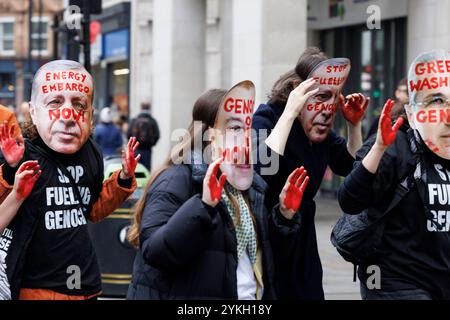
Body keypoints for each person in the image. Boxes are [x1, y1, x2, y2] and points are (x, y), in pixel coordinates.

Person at [126, 81, 309, 300]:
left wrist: (284, 216)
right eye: (234, 129)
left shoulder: (250, 188)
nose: (246, 140)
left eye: (247, 129)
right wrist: (202, 206)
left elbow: (266, 260)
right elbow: (155, 252)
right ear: (209, 136)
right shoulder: (175, 180)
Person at [0, 60, 140, 300]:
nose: (68, 116)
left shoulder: (92, 152)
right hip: (34, 287)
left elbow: (93, 209)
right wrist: (11, 170)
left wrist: (124, 179)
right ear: (33, 111)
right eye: (55, 102)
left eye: (79, 104)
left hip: (84, 286)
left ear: (91, 114)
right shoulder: (19, 151)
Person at [252, 47, 368, 300]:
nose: (328, 109)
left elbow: (352, 169)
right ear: (297, 91)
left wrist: (354, 125)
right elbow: (261, 168)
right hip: (267, 237)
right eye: (321, 96)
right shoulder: (268, 116)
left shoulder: (321, 133)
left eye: (334, 99)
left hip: (302, 241)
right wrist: (290, 112)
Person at [338, 49, 450, 300]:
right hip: (397, 282)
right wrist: (378, 148)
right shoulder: (395, 143)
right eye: (436, 101)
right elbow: (350, 199)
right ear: (412, 110)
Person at [128, 102, 160, 170]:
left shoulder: (134, 120)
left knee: (136, 168)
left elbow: (128, 134)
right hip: (147, 149)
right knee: (146, 168)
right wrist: (151, 144)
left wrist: (133, 144)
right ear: (149, 108)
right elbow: (157, 135)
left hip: (136, 148)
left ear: (141, 108)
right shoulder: (152, 121)